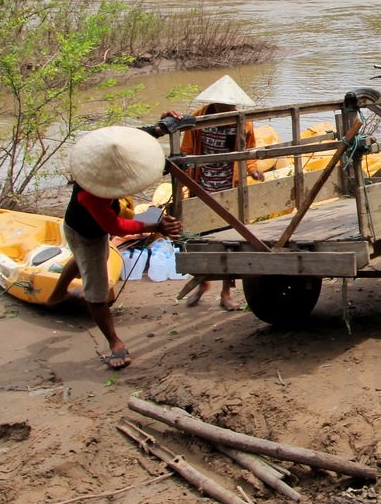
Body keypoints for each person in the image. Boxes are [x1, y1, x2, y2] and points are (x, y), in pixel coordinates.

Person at [54, 125, 182, 370]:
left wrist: (160, 128)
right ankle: (115, 343)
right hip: (85, 233)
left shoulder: (105, 156)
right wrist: (155, 226)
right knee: (97, 291)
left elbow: (133, 138)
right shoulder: (90, 194)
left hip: (86, 229)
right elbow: (115, 226)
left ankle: (56, 295)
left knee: (89, 260)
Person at [172, 75, 264, 311]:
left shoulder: (241, 122)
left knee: (228, 241)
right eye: (226, 105)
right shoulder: (198, 118)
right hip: (201, 187)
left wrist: (253, 170)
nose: (229, 108)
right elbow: (186, 151)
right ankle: (202, 281)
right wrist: (184, 176)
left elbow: (248, 150)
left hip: (229, 187)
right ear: (216, 103)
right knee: (199, 238)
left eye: (232, 105)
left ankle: (225, 293)